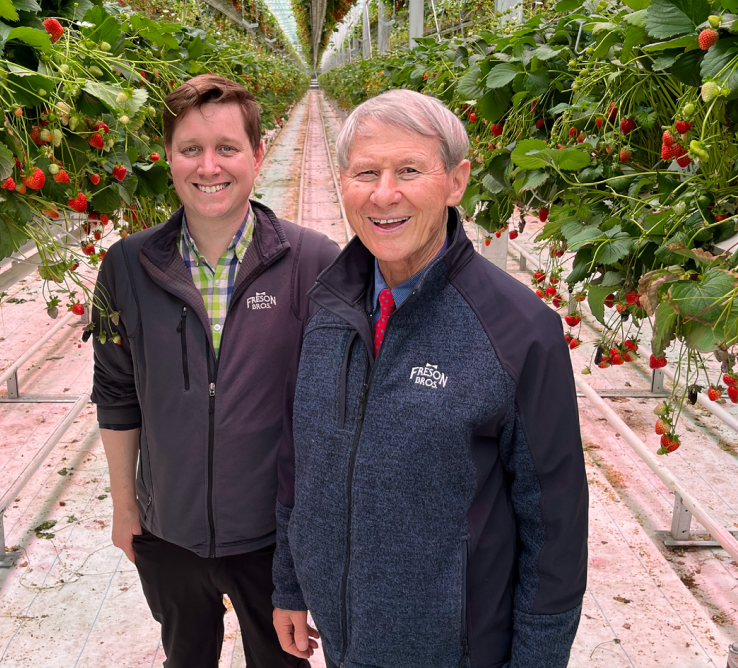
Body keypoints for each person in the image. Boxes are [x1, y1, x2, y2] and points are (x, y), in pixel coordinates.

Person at [272, 90, 589, 668]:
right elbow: (302, 459)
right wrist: (290, 586)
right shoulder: (326, 305)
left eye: (410, 170)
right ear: (344, 182)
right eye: (367, 172)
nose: (384, 193)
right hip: (342, 641)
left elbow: (555, 523)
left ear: (456, 181)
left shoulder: (518, 332)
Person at [91, 75, 340, 668]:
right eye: (190, 149)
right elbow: (117, 391)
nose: (209, 167)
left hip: (273, 543)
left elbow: (335, 417)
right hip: (167, 534)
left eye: (227, 148)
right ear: (169, 157)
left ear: (257, 155)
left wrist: (316, 546)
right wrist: (127, 507)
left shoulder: (314, 263)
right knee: (185, 656)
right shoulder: (127, 265)